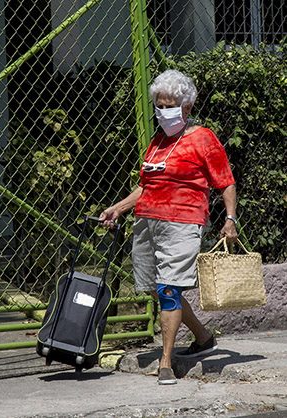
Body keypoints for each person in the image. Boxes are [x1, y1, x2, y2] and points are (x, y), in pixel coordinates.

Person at [99, 69, 238, 385]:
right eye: (159, 105)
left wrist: (230, 219)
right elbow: (145, 185)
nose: (163, 111)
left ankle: (166, 362)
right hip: (147, 222)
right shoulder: (158, 141)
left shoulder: (203, 138)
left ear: (187, 107)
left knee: (168, 289)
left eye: (169, 105)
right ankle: (203, 337)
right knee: (156, 288)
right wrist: (118, 209)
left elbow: (225, 182)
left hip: (183, 222)